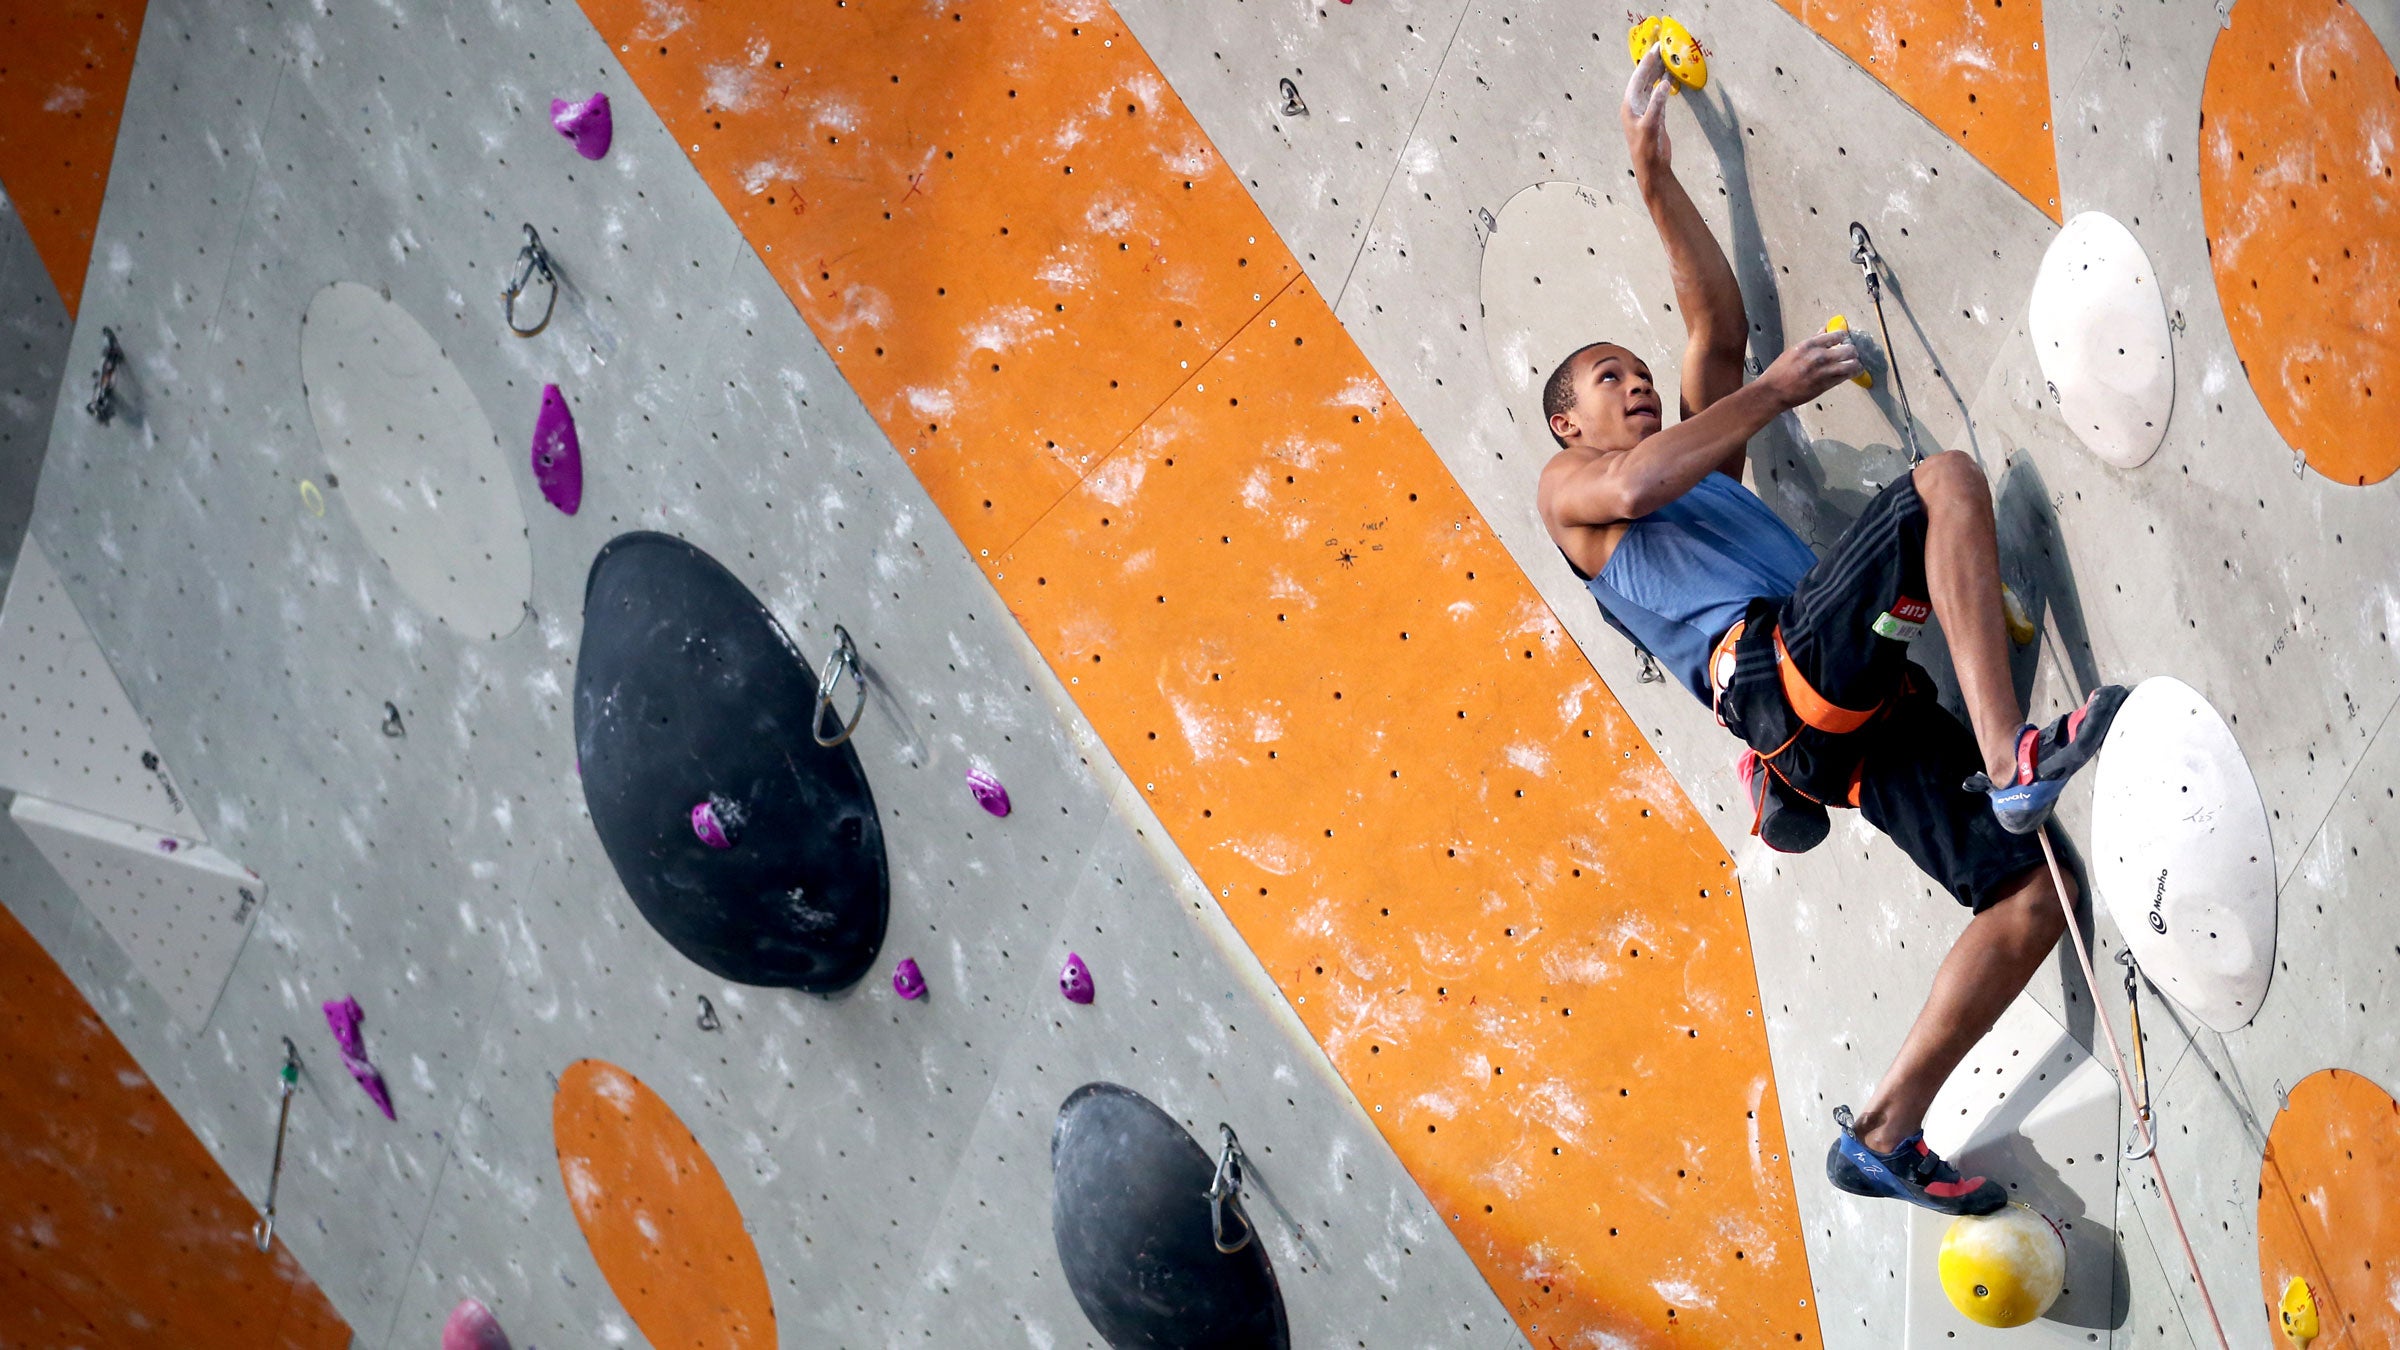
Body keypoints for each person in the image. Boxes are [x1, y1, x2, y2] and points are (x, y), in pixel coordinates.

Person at [1535, 46, 2127, 1216]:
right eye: (1612, 379)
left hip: (1837, 719)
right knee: (1944, 481)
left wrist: (1659, 180)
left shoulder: (1695, 460)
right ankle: (2016, 757)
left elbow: (1716, 318)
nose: (1638, 384)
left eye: (1640, 374)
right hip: (1771, 672)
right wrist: (1777, 393)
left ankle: (1884, 1132)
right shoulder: (1569, 494)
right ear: (1567, 420)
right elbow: (1643, 481)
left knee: (2032, 892)